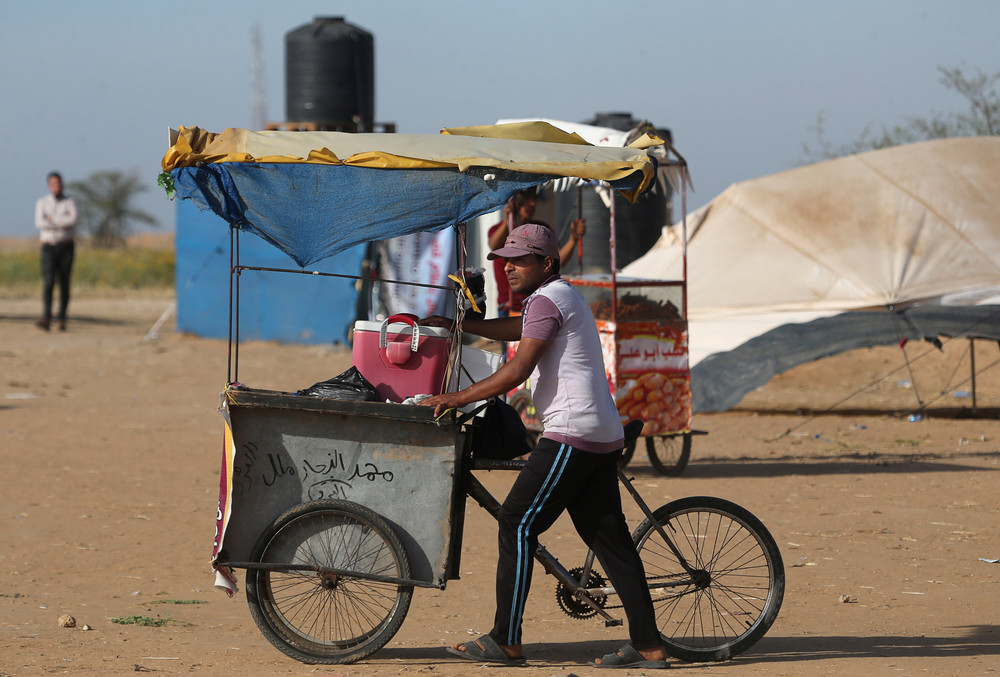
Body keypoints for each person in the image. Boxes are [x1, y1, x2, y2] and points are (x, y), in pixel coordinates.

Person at [418, 224, 668, 669]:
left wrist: (456, 398)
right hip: (598, 433)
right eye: (505, 260)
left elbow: (517, 369)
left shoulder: (551, 298)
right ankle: (648, 646)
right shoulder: (554, 298)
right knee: (609, 540)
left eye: (520, 259)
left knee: (516, 523)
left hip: (574, 433)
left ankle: (505, 640)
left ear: (547, 263)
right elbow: (518, 328)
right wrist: (461, 325)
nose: (509, 267)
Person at [487, 187, 586, 316]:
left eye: (534, 199)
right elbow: (494, 247)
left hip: (535, 301)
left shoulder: (541, 231)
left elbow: (557, 260)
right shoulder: (499, 229)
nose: (532, 204)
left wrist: (573, 239)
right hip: (509, 306)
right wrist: (508, 219)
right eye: (527, 200)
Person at [34, 171, 78, 331]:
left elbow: (73, 220)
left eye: (59, 183)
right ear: (49, 185)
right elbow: (40, 223)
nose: (57, 186)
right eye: (54, 183)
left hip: (66, 246)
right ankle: (46, 317)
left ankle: (62, 318)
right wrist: (62, 221)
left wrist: (53, 219)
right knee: (48, 282)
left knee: (64, 282)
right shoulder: (42, 202)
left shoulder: (70, 201)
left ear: (62, 184)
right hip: (48, 246)